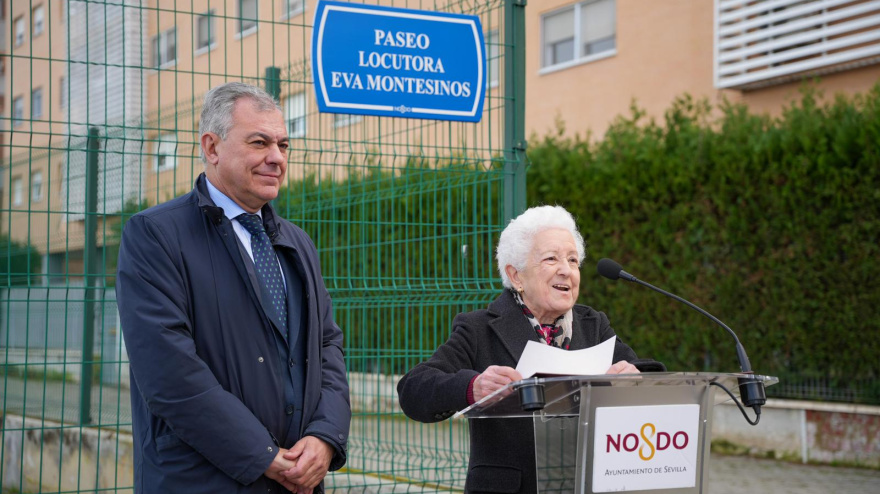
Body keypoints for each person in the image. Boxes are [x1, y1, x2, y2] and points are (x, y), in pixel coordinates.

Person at [116, 82, 350, 493]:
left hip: (296, 480)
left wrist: (325, 436)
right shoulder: (155, 236)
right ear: (212, 148)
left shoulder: (297, 243)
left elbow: (327, 346)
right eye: (259, 142)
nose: (276, 157)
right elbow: (169, 373)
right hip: (202, 480)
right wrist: (261, 455)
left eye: (283, 144)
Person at [397, 205, 664, 494]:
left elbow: (645, 374)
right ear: (517, 276)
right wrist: (472, 387)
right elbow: (413, 389)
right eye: (551, 259)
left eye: (573, 261)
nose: (567, 270)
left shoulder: (594, 325)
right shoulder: (479, 329)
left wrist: (634, 375)